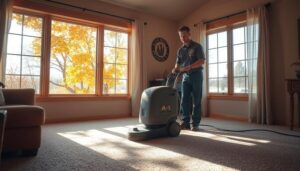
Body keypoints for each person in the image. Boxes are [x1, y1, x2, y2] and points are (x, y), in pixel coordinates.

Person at [172, 26, 205, 131]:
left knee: (196, 100)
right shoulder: (180, 50)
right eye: (180, 36)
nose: (182, 38)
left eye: (184, 35)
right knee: (184, 100)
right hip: (185, 77)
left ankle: (195, 124)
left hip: (196, 75)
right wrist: (175, 68)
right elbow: (178, 63)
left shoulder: (197, 47)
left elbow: (201, 61)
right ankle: (185, 122)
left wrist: (190, 67)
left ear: (189, 34)